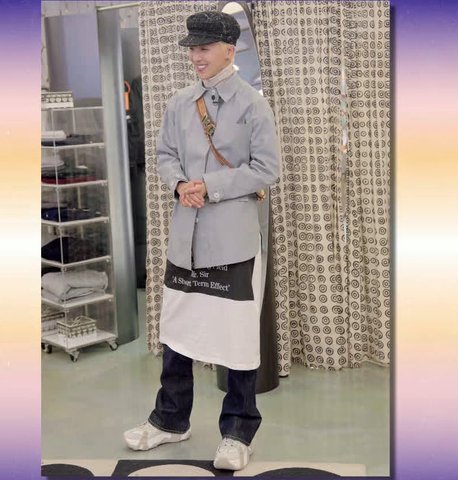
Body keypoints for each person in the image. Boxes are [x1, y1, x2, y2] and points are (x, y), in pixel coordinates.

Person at [123, 11, 280, 471]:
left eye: (204, 47)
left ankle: (238, 432)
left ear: (229, 50)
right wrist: (178, 184)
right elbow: (165, 154)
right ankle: (170, 420)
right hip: (185, 240)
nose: (195, 55)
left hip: (232, 240)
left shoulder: (253, 105)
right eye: (192, 48)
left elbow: (267, 169)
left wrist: (209, 185)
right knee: (178, 333)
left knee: (237, 338)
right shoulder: (179, 103)